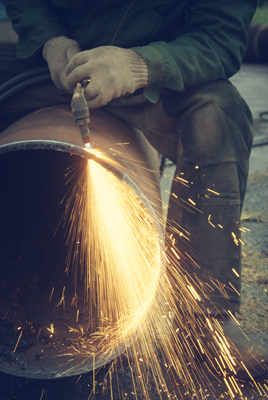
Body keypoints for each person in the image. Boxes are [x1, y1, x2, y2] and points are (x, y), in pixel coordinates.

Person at [0, 0, 266, 376]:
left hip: (155, 81)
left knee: (218, 114)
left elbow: (219, 37)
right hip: (54, 70)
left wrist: (141, 66)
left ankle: (203, 325)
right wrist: (51, 42)